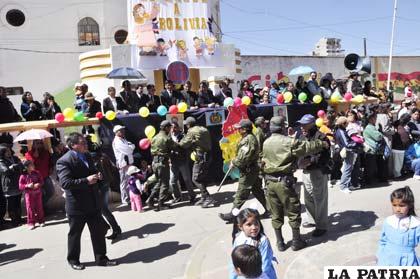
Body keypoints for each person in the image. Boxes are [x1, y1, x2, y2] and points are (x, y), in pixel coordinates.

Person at [262, 116, 328, 251]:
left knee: (276, 213)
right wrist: (322, 144)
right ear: (283, 128)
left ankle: (280, 242)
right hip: (283, 183)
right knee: (293, 211)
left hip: (270, 182)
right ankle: (296, 241)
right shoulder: (288, 142)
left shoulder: (266, 142)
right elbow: (307, 147)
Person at [56, 132, 117, 270]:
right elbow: (65, 183)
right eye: (82, 143)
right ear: (73, 145)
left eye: (85, 142)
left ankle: (101, 258)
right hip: (77, 206)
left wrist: (98, 176)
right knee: (75, 235)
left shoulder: (87, 155)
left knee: (98, 233)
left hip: (93, 203)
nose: (86, 145)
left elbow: (92, 171)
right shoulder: (64, 161)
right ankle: (73, 260)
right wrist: (86, 180)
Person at [219, 119, 268, 222]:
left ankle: (233, 214)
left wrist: (235, 162)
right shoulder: (247, 138)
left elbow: (244, 157)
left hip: (248, 171)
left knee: (241, 193)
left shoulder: (248, 140)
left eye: (239, 128)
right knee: (257, 191)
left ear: (245, 129)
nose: (237, 130)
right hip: (251, 169)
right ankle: (270, 210)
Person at [297, 114, 330, 237]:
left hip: (317, 172)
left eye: (304, 124)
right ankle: (312, 220)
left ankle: (321, 226)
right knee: (308, 198)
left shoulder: (321, 137)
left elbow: (325, 156)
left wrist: (311, 161)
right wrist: (299, 162)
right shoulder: (301, 136)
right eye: (301, 125)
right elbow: (298, 151)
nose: (302, 127)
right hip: (305, 172)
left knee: (320, 198)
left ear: (312, 124)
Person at [377, 186, 420, 266]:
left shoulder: (415, 225)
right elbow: (383, 241)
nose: (397, 209)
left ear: (410, 205)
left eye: (402, 205)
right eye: (394, 205)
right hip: (387, 259)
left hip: (407, 261)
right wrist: (380, 256)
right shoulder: (389, 222)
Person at [179, 117, 216, 208]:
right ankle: (204, 197)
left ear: (188, 125)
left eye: (186, 125)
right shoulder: (203, 129)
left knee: (195, 179)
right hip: (208, 156)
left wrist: (179, 142)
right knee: (201, 177)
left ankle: (207, 197)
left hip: (201, 157)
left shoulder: (191, 131)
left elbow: (184, 144)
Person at [230, 208, 277, 279]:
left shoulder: (263, 241)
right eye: (249, 224)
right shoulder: (238, 239)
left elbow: (265, 263)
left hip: (261, 275)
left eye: (256, 223)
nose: (254, 227)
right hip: (244, 275)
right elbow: (234, 261)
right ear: (240, 227)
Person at [148, 120, 177, 211]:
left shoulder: (155, 137)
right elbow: (175, 146)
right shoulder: (166, 138)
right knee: (165, 184)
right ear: (166, 128)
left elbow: (152, 150)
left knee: (159, 182)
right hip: (162, 163)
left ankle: (150, 199)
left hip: (155, 163)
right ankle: (161, 203)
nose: (170, 129)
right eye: (169, 127)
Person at [92, 151, 122, 240]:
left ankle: (114, 228)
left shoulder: (94, 159)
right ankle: (113, 227)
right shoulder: (102, 156)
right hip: (104, 185)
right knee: (102, 209)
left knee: (103, 209)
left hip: (101, 187)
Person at [169, 121, 196, 204]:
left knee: (187, 179)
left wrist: (176, 145)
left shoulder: (183, 135)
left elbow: (185, 146)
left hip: (182, 161)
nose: (173, 129)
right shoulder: (168, 136)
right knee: (173, 181)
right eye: (172, 127)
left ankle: (192, 196)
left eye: (175, 127)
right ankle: (178, 197)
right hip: (173, 162)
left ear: (178, 128)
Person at [25, 140, 55, 209]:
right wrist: (35, 157)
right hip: (36, 178)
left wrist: (51, 168)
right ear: (33, 145)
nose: (39, 145)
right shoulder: (29, 153)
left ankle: (41, 206)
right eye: (37, 143)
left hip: (45, 176)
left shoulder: (46, 152)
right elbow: (30, 166)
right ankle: (42, 209)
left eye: (41, 143)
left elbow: (50, 162)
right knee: (39, 194)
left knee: (50, 192)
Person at [334, 117, 361, 193]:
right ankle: (343, 186)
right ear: (343, 124)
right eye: (347, 123)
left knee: (348, 168)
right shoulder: (341, 132)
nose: (348, 124)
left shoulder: (341, 130)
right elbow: (347, 144)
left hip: (348, 151)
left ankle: (348, 184)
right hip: (348, 151)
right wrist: (357, 142)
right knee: (347, 169)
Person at [0, 144, 23, 227]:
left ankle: (19, 218)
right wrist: (13, 167)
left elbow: (21, 166)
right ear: (2, 153)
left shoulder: (15, 158)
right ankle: (14, 221)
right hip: (9, 186)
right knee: (11, 205)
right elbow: (6, 171)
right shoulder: (1, 161)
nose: (9, 152)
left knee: (18, 202)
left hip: (17, 183)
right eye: (7, 151)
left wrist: (15, 167)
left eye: (9, 150)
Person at [112, 125, 135, 206]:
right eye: (121, 130)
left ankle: (129, 198)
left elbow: (130, 146)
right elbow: (128, 150)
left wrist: (131, 146)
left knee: (129, 181)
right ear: (116, 132)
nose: (123, 131)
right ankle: (125, 200)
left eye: (123, 130)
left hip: (128, 163)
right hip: (124, 164)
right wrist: (131, 147)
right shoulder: (117, 141)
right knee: (124, 182)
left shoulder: (123, 139)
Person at [19, 160, 44, 230]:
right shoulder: (23, 176)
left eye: (33, 164)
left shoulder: (37, 173)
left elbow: (41, 181)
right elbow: (20, 186)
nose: (33, 166)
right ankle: (31, 223)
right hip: (29, 195)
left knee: (39, 207)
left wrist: (38, 184)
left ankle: (41, 221)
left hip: (38, 193)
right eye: (31, 165)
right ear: (26, 167)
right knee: (30, 208)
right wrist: (27, 186)